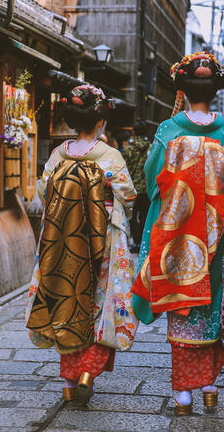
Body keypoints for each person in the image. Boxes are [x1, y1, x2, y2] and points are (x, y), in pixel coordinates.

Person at [131, 52, 224, 414]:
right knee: (210, 303)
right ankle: (210, 386)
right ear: (216, 89)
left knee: (181, 304)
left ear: (180, 87)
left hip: (178, 235)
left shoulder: (169, 130)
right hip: (216, 235)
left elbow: (152, 179)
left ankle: (183, 393)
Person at [25, 84, 139, 405]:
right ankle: (89, 371)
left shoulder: (57, 156)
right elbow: (127, 196)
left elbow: (45, 194)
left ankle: (68, 383)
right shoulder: (110, 156)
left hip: (64, 238)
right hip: (102, 237)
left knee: (67, 297)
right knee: (100, 302)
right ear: (100, 121)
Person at [121, 121, 151, 253]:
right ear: (145, 133)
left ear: (133, 132)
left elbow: (122, 168)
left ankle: (136, 241)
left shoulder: (127, 149)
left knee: (132, 216)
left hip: (131, 188)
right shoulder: (151, 148)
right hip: (146, 188)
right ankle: (143, 242)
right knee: (145, 215)